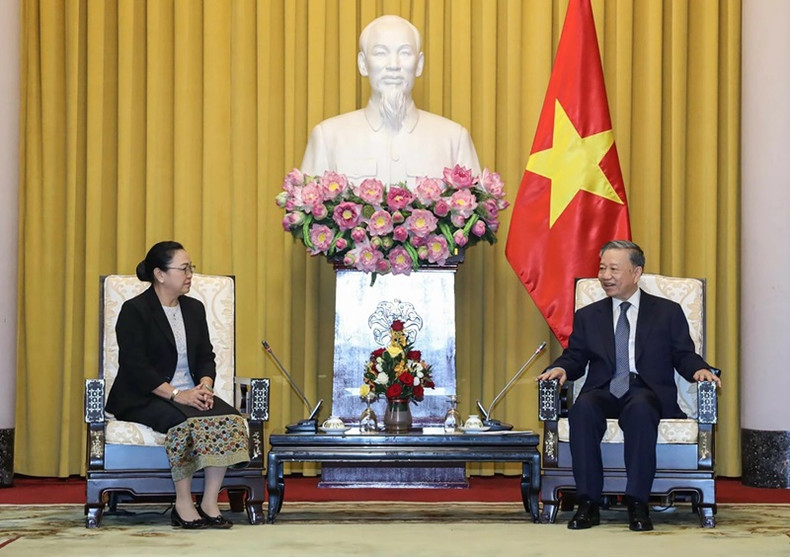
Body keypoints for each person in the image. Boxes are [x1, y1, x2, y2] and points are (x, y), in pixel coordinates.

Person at [536, 240, 721, 532]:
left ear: (636, 273)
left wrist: (700, 370)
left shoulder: (667, 312)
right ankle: (588, 502)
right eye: (601, 268)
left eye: (613, 269)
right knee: (582, 410)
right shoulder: (589, 315)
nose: (605, 275)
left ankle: (638, 502)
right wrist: (559, 367)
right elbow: (575, 356)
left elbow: (683, 354)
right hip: (603, 387)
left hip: (644, 388)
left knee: (641, 410)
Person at [105, 241, 249, 529]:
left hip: (190, 392)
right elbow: (136, 367)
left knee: (228, 419)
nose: (189, 274)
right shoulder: (135, 310)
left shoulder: (194, 309)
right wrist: (177, 394)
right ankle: (183, 503)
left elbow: (206, 356)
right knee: (181, 424)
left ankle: (209, 502)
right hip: (144, 395)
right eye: (183, 268)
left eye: (190, 268)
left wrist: (205, 387)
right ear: (160, 274)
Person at [300, 14, 481, 187]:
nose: (393, 65)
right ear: (363, 64)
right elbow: (306, 213)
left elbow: (474, 214)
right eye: (380, 53)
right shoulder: (328, 137)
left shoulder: (453, 139)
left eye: (405, 53)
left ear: (419, 64)